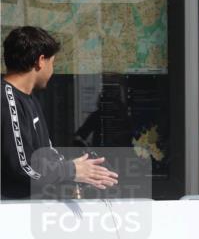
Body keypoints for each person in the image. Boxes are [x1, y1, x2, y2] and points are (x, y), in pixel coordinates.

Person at [2, 26, 118, 200]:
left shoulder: (29, 98)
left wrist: (81, 170)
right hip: (12, 214)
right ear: (41, 61)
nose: (52, 70)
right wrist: (71, 170)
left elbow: (45, 155)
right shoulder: (6, 100)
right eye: (53, 62)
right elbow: (23, 167)